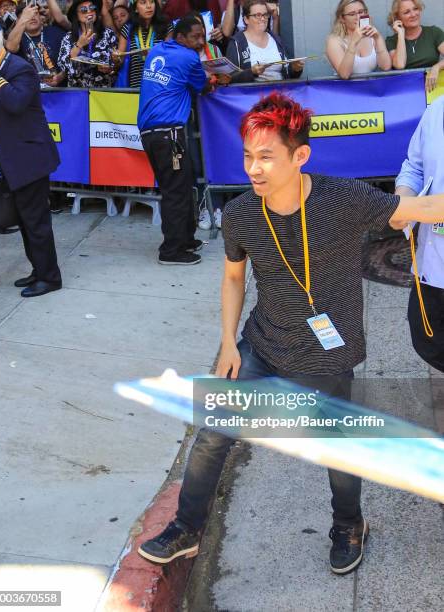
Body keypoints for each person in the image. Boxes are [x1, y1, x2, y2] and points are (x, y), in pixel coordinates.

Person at [137, 91, 444, 574]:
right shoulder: (240, 214)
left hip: (329, 350)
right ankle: (187, 528)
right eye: (247, 156)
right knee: (213, 430)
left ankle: (349, 524)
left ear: (300, 157)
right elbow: (234, 276)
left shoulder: (343, 199)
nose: (254, 168)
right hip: (264, 342)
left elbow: (414, 211)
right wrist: (227, 343)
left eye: (266, 157)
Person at [0, 25, 61, 297]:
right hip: (14, 158)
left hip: (29, 157)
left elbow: (15, 103)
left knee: (36, 222)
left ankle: (50, 277)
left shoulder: (18, 68)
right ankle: (38, 270)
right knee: (27, 220)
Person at [138, 16, 208, 265]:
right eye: (195, 37)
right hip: (169, 133)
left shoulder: (157, 49)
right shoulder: (189, 58)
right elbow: (202, 86)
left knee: (180, 185)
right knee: (176, 191)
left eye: (203, 36)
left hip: (152, 133)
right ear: (180, 37)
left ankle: (185, 240)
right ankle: (171, 251)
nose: (201, 41)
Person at [395, 97, 444, 372]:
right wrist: (403, 198)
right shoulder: (436, 110)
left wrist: (418, 207)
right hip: (434, 264)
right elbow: (414, 167)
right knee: (428, 339)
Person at [225, 0, 303, 83]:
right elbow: (228, 78)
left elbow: (289, 75)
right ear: (246, 19)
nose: (263, 18)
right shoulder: (236, 43)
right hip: (251, 94)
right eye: (257, 15)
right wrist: (251, 72)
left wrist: (295, 69)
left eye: (265, 15)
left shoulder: (276, 39)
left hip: (280, 92)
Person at [386, 0, 444, 91]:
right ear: (397, 18)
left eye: (415, 9)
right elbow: (399, 65)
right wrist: (401, 34)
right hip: (405, 91)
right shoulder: (391, 41)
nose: (413, 14)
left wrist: (436, 67)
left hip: (432, 90)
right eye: (406, 12)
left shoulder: (434, 32)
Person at [58, 0, 117, 88]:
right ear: (77, 16)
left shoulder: (108, 34)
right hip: (77, 94)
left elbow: (115, 66)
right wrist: (79, 45)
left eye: (92, 8)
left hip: (103, 93)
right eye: (83, 10)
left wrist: (111, 66)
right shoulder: (68, 38)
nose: (89, 11)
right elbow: (64, 67)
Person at [6, 2, 66, 88]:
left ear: (41, 17)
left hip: (59, 92)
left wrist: (61, 76)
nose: (32, 17)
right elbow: (10, 47)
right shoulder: (17, 38)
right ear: (19, 21)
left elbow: (71, 60)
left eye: (35, 13)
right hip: (30, 93)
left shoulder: (56, 32)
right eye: (27, 15)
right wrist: (23, 19)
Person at [326, 0, 391, 79]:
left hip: (368, 89)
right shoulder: (334, 41)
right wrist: (353, 42)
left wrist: (378, 38)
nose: (358, 17)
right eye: (352, 14)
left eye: (361, 12)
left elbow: (386, 67)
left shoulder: (372, 37)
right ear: (342, 18)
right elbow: (344, 75)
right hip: (345, 90)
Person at [114, 0, 172, 88]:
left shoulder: (167, 25)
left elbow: (171, 56)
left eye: (152, 2)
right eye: (143, 2)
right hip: (136, 87)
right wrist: (115, 57)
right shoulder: (128, 28)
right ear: (136, 8)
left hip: (160, 86)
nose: (149, 6)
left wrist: (154, 54)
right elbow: (120, 60)